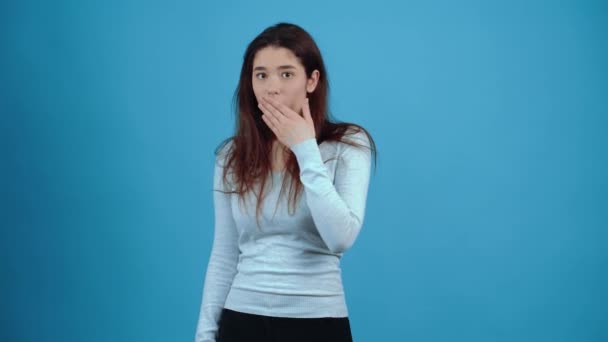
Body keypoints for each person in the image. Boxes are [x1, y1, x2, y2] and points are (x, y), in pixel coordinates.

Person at [195, 22, 377, 342]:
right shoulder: (231, 155)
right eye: (261, 75)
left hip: (317, 323)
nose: (272, 87)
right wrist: (205, 335)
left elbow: (340, 238)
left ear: (312, 80)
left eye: (286, 73)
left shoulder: (349, 145)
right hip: (241, 320)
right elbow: (224, 254)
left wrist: (305, 149)